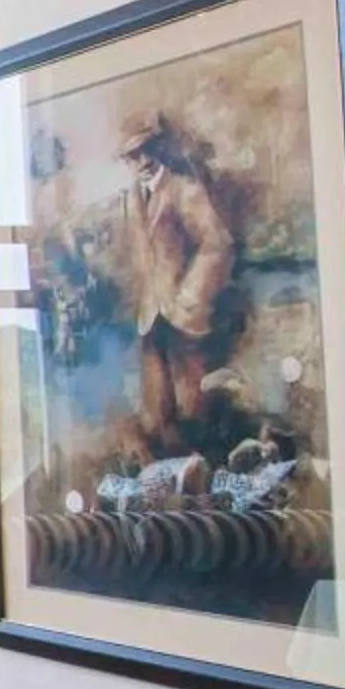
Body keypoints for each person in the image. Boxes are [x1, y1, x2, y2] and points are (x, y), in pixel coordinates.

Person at [119, 109, 235, 455]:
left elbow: (218, 244)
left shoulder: (186, 190)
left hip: (186, 319)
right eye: (132, 155)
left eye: (147, 149)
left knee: (194, 413)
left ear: (160, 147)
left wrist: (190, 298)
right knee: (158, 419)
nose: (142, 160)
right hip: (150, 319)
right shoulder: (131, 200)